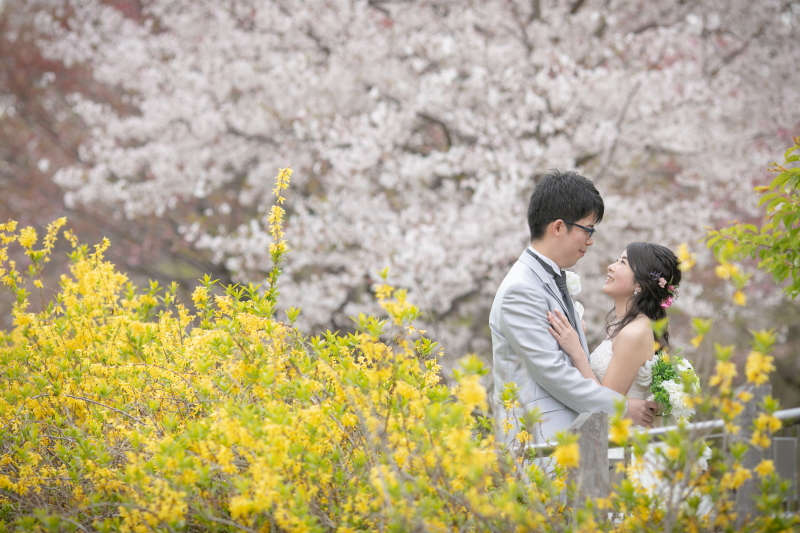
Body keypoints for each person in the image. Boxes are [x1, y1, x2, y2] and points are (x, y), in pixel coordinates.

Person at [490, 170, 657, 449]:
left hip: (568, 442)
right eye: (587, 230)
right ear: (558, 227)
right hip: (540, 444)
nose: (590, 241)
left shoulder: (550, 280)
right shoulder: (521, 290)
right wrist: (623, 408)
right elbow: (555, 373)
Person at [546, 242, 681, 427]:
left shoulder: (635, 332)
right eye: (617, 260)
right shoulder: (623, 326)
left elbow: (603, 408)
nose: (611, 266)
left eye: (623, 263)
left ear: (640, 283)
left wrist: (576, 350)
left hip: (623, 439)